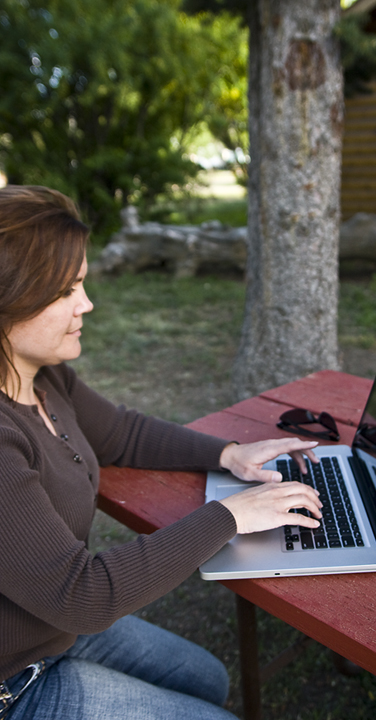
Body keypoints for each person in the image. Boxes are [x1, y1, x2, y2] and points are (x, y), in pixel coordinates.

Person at [0, 185, 322, 720]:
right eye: (66, 291)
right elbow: (83, 592)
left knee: (206, 678)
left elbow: (123, 432)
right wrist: (227, 517)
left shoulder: (43, 378)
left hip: (53, 631)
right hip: (15, 684)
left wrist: (229, 454)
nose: (87, 304)